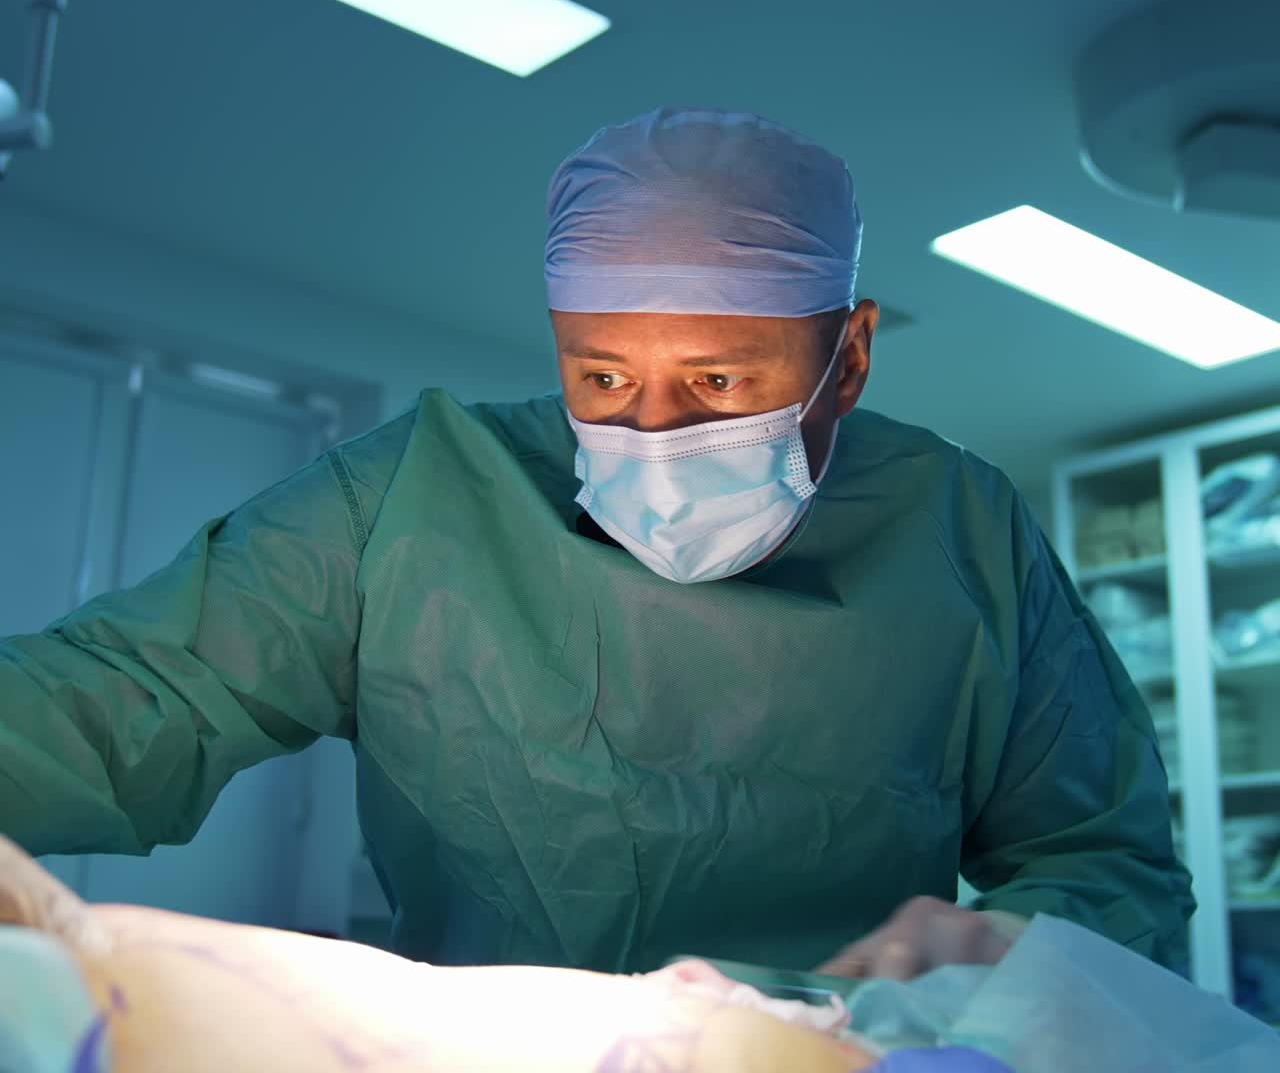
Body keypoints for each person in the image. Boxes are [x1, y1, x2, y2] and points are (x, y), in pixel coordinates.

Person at [0, 107, 1192, 982]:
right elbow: (124, 701)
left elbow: (1109, 861)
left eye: (717, 379)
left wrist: (1020, 946)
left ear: (849, 358)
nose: (654, 433)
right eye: (604, 376)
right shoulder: (413, 500)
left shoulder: (962, 530)